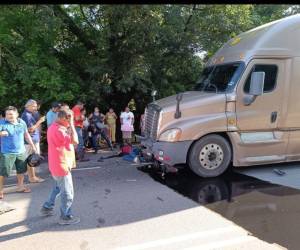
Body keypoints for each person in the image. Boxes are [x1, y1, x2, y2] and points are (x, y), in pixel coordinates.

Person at [40, 108, 80, 225]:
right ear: (63, 118)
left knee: (58, 187)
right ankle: (65, 217)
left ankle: (47, 208)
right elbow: (76, 141)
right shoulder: (59, 130)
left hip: (57, 164)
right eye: (69, 120)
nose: (70, 122)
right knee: (67, 192)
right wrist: (72, 124)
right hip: (61, 165)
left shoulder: (55, 127)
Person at [0, 106, 38, 199]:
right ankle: (0, 190)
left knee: (21, 171)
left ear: (16, 114)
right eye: (7, 114)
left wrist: (33, 146)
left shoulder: (21, 122)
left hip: (21, 151)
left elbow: (26, 134)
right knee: (3, 172)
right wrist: (1, 133)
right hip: (7, 152)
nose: (9, 116)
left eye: (11, 114)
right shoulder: (2, 123)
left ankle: (20, 187)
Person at [21, 99, 45, 183]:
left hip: (33, 140)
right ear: (28, 106)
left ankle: (33, 176)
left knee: (33, 159)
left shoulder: (30, 114)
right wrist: (40, 121)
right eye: (34, 106)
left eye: (35, 106)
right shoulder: (26, 115)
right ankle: (32, 178)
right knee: (31, 159)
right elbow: (30, 129)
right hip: (30, 141)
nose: (36, 108)